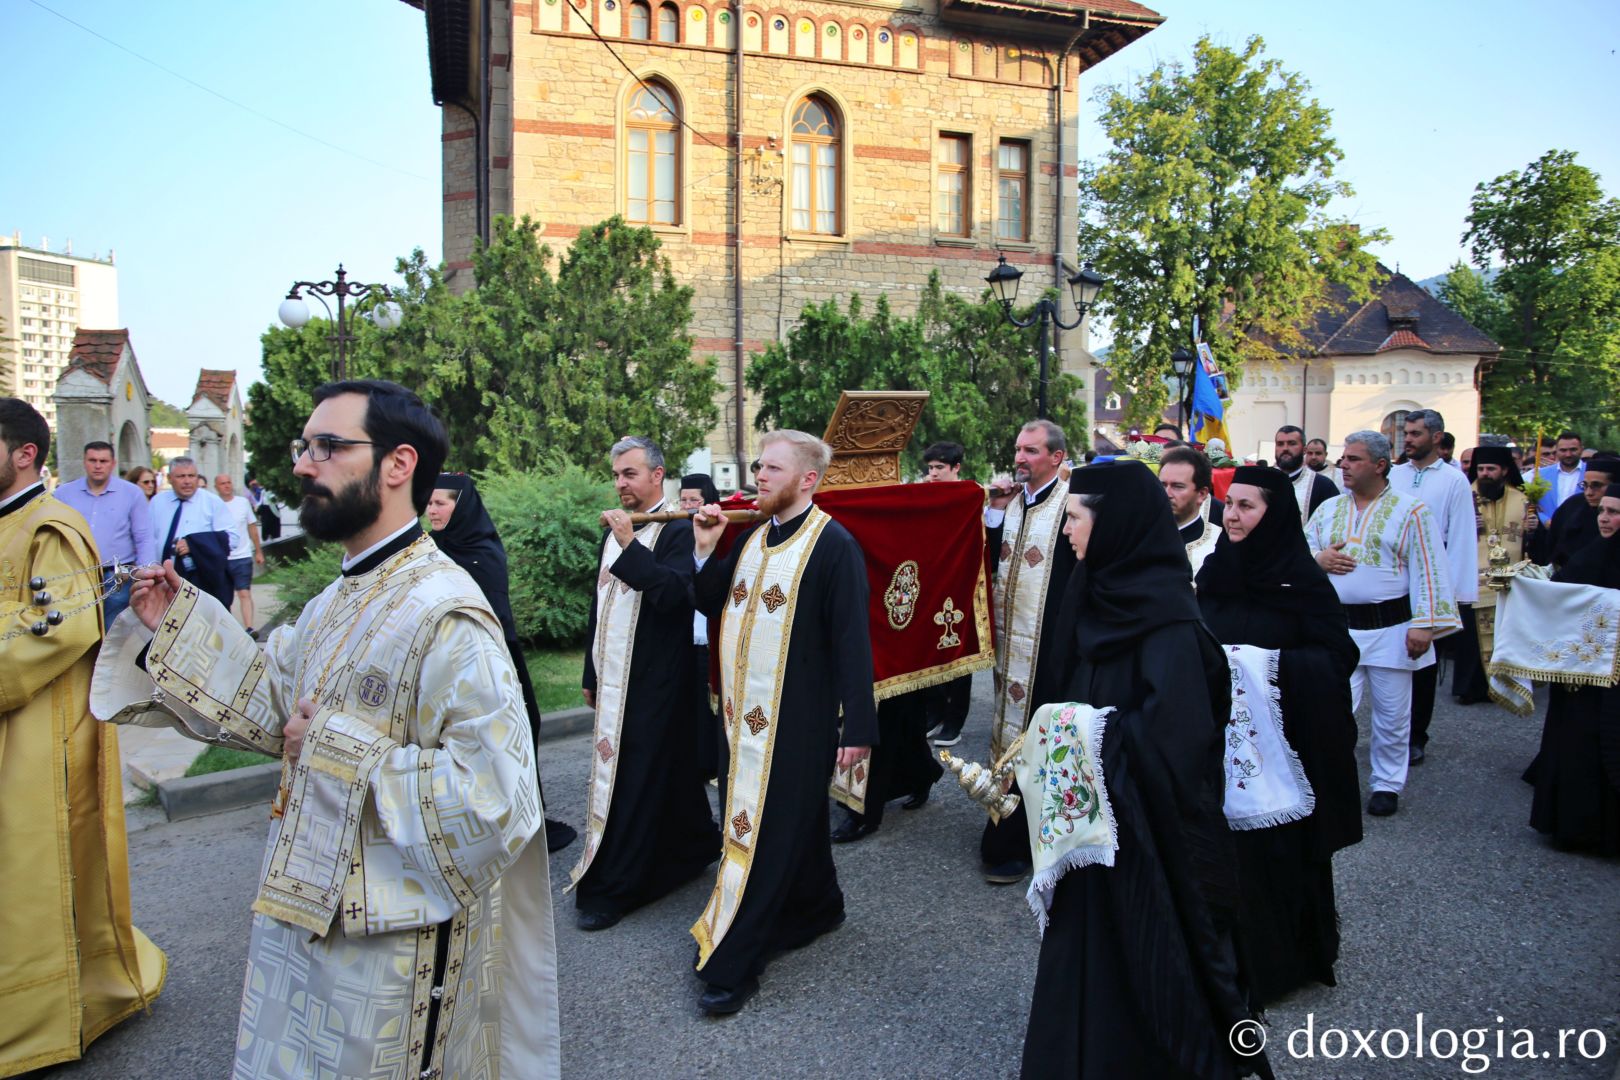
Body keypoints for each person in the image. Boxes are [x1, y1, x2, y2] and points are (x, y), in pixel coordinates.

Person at [92, 380, 560, 1077]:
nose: (305, 465)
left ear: (397, 465)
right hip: (300, 918)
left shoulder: (449, 615)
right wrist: (176, 631)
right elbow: (273, 704)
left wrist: (338, 749)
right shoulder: (334, 599)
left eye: (330, 446)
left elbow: (497, 799)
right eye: (303, 446)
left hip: (390, 949)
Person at [1021, 460, 1271, 1080]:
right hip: (1095, 830)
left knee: (1160, 961)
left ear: (1115, 525)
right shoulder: (1091, 592)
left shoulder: (1169, 624)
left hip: (1152, 844)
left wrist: (1081, 736)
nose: (1066, 532)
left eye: (1074, 518)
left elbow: (1180, 742)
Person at [0, 400, 166, 1076]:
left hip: (37, 739)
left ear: (24, 454)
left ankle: (39, 1016)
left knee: (28, 877)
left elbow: (62, 627)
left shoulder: (52, 526)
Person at [688, 430, 876, 1016]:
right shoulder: (751, 537)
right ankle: (818, 906)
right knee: (778, 827)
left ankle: (737, 957)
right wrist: (704, 548)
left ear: (808, 479)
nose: (759, 476)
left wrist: (860, 729)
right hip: (742, 723)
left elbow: (853, 643)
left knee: (765, 836)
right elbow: (708, 598)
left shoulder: (833, 545)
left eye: (772, 468)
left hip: (797, 725)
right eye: (758, 466)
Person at [1197, 466, 1363, 1003]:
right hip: (1221, 745)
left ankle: (1279, 964)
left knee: (1274, 858)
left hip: (1282, 750)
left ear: (1275, 513)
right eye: (1230, 504)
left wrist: (1266, 667)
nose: (1234, 515)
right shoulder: (1217, 571)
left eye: (1247, 506)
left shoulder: (1302, 578)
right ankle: (1220, 960)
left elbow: (1338, 656)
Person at [570, 437, 718, 929]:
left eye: (629, 474)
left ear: (657, 475)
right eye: (616, 475)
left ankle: (619, 885)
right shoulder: (613, 530)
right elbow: (602, 605)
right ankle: (695, 844)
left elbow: (679, 596)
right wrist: (591, 672)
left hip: (660, 680)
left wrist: (633, 547)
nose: (620, 483)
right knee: (668, 774)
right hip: (616, 677)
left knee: (639, 778)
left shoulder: (677, 528)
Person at [1307, 431, 1459, 817]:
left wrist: (1424, 623)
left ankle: (1387, 785)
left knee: (1392, 717)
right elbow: (1299, 550)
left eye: (1353, 459)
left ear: (1379, 465)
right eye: (1343, 459)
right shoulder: (1328, 510)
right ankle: (1330, 782)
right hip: (1339, 630)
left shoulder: (1411, 511)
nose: (1344, 465)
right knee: (1332, 711)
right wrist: (1318, 559)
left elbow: (1430, 567)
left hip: (1392, 627)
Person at [426, 473, 578, 855]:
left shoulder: (482, 552)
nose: (432, 510)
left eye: (440, 503)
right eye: (428, 503)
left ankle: (523, 817)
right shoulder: (428, 552)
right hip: (448, 667)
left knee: (516, 732)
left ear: (460, 507)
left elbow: (494, 617)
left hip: (495, 657)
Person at [982, 419, 1079, 883]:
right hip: (1010, 650)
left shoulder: (1071, 506)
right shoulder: (1015, 503)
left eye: (1031, 451)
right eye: (1018, 449)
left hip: (1051, 649)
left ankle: (1038, 840)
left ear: (1057, 457)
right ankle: (1002, 826)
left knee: (1043, 744)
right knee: (1004, 735)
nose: (1020, 458)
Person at [1525, 483, 1620, 854]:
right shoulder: (1591, 554)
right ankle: (1577, 829)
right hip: (1584, 671)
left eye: (1614, 512)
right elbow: (1558, 593)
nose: (1605, 518)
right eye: (1602, 511)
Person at [1390, 409, 1478, 765]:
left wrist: (1451, 596)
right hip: (1395, 575)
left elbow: (1459, 538)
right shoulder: (1394, 474)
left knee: (1422, 663)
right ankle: (1388, 731)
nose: (1408, 439)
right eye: (1406, 433)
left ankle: (1416, 735)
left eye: (1415, 434)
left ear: (1436, 437)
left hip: (1431, 576)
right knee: (1388, 659)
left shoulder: (1453, 480)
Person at [1452, 446, 1537, 704]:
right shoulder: (1464, 497)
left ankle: (1507, 686)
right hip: (1472, 580)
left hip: (1510, 580)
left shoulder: (1522, 500)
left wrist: (1535, 530)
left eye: (1491, 469)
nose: (1485, 474)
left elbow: (1536, 547)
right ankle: (1471, 688)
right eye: (1480, 469)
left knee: (1507, 633)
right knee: (1470, 639)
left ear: (1505, 471)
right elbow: (1445, 535)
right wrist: (1464, 525)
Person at [54, 440, 155, 626]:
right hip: (76, 575)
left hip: (117, 577)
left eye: (103, 461)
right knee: (78, 629)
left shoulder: (131, 493)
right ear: (84, 462)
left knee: (113, 631)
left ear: (113, 463)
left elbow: (143, 536)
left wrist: (146, 572)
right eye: (93, 460)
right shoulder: (63, 494)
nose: (98, 466)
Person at [919, 441, 971, 747]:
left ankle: (955, 720)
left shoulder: (969, 495)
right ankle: (935, 711)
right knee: (929, 652)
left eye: (940, 468)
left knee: (959, 654)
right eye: (931, 468)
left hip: (960, 587)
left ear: (956, 468)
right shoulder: (925, 495)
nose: (934, 474)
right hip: (932, 586)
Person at [680, 471, 723, 779]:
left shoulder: (718, 530)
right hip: (688, 633)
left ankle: (714, 761)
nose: (687, 506)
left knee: (713, 702)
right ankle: (699, 761)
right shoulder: (676, 531)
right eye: (683, 500)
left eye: (694, 500)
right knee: (694, 702)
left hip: (710, 629)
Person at [147, 455, 233, 607]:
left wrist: (196, 545)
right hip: (163, 581)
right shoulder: (157, 502)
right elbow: (149, 539)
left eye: (191, 476)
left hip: (202, 581)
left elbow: (231, 538)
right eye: (181, 476)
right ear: (169, 478)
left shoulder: (212, 502)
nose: (187, 481)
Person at [1539, 455, 1619, 570]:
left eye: (1596, 485)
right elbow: (1552, 544)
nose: (1589, 492)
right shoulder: (1571, 506)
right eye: (1585, 485)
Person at [1160, 445, 1223, 578]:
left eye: (1177, 486)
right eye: (1162, 485)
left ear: (1201, 494)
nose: (1166, 493)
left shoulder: (1219, 543)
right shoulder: (1139, 538)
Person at [212, 474, 264, 636]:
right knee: (223, 596)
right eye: (222, 483)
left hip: (242, 556)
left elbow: (252, 528)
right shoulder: (212, 505)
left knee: (244, 592)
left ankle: (249, 627)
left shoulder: (242, 503)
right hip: (221, 558)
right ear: (216, 487)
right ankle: (228, 630)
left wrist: (258, 551)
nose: (226, 486)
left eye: (229, 482)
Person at [1276, 425, 1338, 525]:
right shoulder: (1263, 482)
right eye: (1280, 444)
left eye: (1292, 443)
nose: (1285, 448)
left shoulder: (1323, 486)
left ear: (1304, 450)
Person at [1536, 430, 1585, 525]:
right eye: (1563, 450)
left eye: (1573, 449)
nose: (1568, 454)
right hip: (1548, 532)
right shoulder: (1541, 474)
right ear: (1556, 451)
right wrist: (1545, 520)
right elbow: (1534, 505)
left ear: (1581, 449)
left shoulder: (1590, 472)